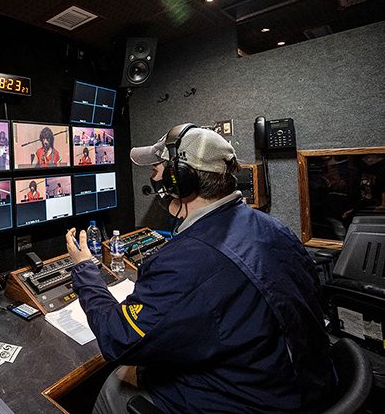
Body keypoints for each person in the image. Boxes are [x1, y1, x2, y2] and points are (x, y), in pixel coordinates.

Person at [65, 124, 335, 413]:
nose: (153, 178)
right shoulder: (274, 228)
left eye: (156, 169)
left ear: (180, 180)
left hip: (251, 403)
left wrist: (85, 270)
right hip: (304, 385)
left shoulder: (187, 262)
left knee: (115, 384)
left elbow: (118, 339)